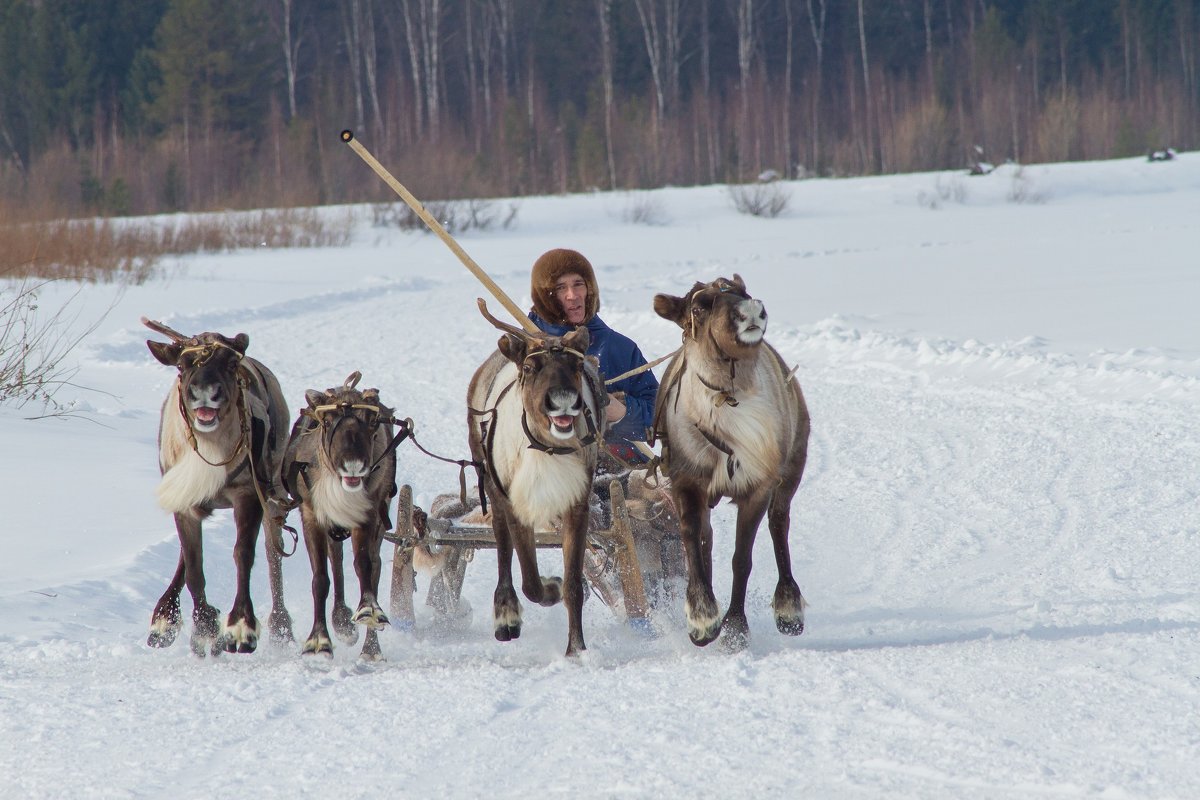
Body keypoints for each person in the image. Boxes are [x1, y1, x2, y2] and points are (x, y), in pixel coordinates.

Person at [527, 247, 658, 467]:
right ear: (545, 296)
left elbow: (659, 418)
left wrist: (622, 413)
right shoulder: (528, 351)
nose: (573, 295)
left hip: (613, 465)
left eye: (578, 284)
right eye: (560, 287)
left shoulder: (619, 348)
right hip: (542, 467)